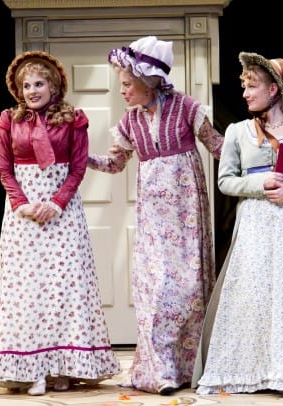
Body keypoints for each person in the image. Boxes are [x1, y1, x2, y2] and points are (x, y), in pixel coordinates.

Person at [87, 36, 224, 395]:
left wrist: (260, 160)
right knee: (155, 291)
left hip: (187, 214)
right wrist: (80, 157)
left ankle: (187, 369)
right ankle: (158, 370)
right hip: (153, 220)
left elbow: (219, 147)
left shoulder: (187, 108)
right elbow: (116, 162)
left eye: (127, 84)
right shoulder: (130, 122)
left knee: (190, 289)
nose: (123, 92)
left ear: (148, 80)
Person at [192, 51, 283, 398]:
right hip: (255, 221)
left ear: (274, 90)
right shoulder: (239, 132)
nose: (245, 94)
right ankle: (248, 370)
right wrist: (261, 184)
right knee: (251, 296)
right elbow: (226, 181)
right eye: (244, 86)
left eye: (252, 86)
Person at [0, 51, 121, 396]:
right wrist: (22, 204)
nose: (32, 90)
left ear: (54, 85)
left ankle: (65, 368)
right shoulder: (8, 120)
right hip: (23, 217)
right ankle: (33, 369)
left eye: (39, 83)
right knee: (27, 292)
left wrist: (57, 204)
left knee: (65, 289)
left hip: (62, 215)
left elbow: (76, 168)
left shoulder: (73, 119)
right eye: (26, 85)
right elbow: (4, 168)